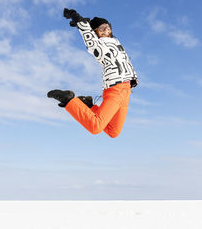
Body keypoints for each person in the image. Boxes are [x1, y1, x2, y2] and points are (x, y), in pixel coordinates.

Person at [47, 8, 138, 138]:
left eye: (107, 27)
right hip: (116, 89)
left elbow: (94, 28)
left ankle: (89, 106)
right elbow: (88, 36)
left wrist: (88, 23)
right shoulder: (98, 45)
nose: (106, 30)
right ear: (96, 33)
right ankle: (68, 99)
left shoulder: (115, 42)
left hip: (126, 91)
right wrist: (78, 20)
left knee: (113, 131)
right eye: (102, 29)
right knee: (95, 127)